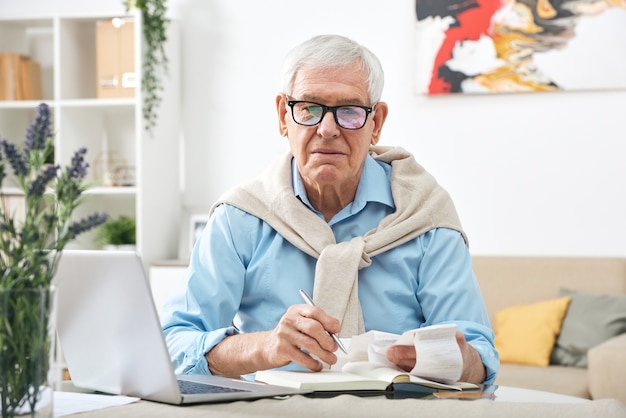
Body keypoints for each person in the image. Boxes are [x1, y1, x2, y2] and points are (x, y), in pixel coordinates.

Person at [161, 34, 499, 385]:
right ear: (283, 116)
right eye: (309, 108)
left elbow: (480, 361)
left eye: (349, 111)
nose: (327, 129)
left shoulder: (425, 216)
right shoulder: (240, 217)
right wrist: (265, 347)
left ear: (376, 123)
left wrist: (451, 359)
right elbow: (172, 345)